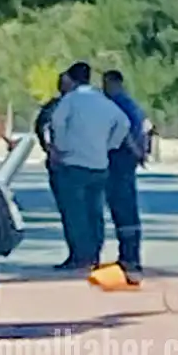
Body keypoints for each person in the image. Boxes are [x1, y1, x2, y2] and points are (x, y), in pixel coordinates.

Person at [48, 61, 129, 271]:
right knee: (94, 212)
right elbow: (124, 123)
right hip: (99, 164)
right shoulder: (102, 100)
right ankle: (93, 254)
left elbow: (56, 121)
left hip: (73, 163)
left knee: (75, 213)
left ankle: (80, 256)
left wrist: (61, 146)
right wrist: (110, 145)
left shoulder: (72, 100)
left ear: (71, 79)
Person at [101, 70, 146, 279]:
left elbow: (124, 130)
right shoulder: (133, 104)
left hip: (119, 158)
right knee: (128, 206)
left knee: (122, 207)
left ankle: (129, 257)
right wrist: (142, 152)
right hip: (129, 159)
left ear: (113, 83)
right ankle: (131, 254)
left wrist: (134, 149)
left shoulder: (116, 104)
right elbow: (146, 129)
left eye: (105, 84)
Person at [35, 71, 77, 268]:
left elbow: (42, 127)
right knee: (75, 211)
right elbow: (41, 128)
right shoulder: (55, 107)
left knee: (76, 211)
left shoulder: (59, 107)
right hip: (65, 163)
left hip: (66, 162)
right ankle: (81, 253)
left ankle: (82, 254)